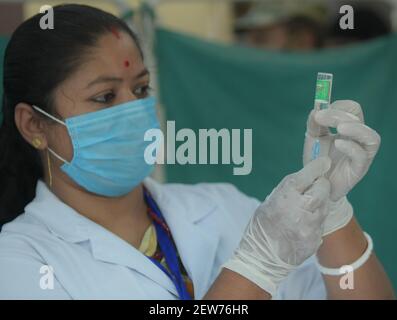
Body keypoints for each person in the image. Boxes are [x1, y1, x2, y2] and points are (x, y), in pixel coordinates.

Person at [0, 4, 394, 300]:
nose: (134, 113)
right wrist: (254, 268)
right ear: (35, 125)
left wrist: (332, 211)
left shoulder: (223, 208)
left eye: (140, 90)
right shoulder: (21, 261)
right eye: (104, 97)